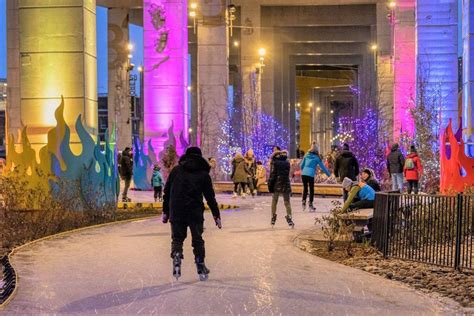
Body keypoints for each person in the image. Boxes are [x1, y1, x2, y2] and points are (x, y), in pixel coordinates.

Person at [162, 147, 221, 281]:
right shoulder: (203, 174)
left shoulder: (176, 170)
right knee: (197, 240)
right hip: (194, 211)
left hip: (177, 210)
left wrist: (165, 212)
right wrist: (216, 215)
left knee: (177, 239)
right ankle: (200, 264)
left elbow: (167, 192)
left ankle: (177, 255)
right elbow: (210, 197)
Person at [300, 144, 331, 212]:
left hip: (304, 174)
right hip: (310, 174)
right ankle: (310, 204)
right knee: (311, 189)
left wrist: (304, 170)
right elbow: (323, 167)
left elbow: (301, 165)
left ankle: (303, 202)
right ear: (317, 150)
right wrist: (329, 174)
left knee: (305, 188)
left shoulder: (306, 155)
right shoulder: (317, 158)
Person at [268, 149, 294, 228]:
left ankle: (273, 217)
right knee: (287, 202)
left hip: (277, 184)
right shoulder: (287, 162)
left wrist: (270, 186)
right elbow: (287, 174)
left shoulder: (274, 163)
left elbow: (272, 175)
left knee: (274, 200)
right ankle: (289, 218)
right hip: (286, 184)